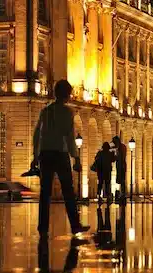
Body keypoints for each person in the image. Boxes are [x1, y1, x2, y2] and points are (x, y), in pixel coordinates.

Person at [32, 79, 90, 236]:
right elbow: (70, 137)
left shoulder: (45, 111)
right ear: (66, 95)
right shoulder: (67, 113)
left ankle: (42, 227)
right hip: (60, 153)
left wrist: (35, 155)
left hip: (45, 153)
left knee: (45, 192)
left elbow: (37, 134)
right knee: (68, 191)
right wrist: (75, 158)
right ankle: (75, 225)